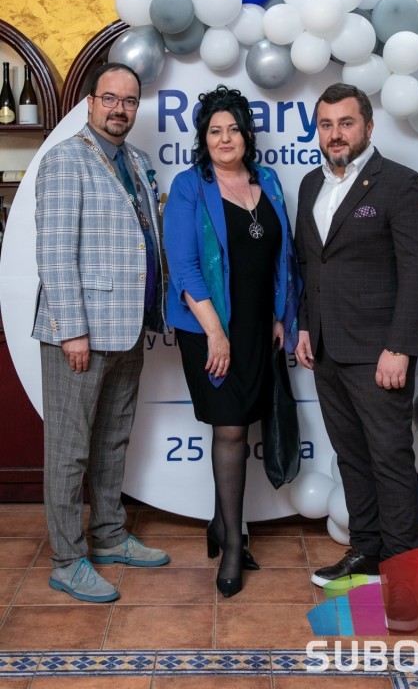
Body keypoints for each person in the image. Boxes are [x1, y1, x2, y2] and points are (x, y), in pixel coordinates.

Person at [294, 82, 418, 629]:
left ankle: (406, 585)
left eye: (346, 123)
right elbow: (311, 264)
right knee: (352, 457)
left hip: (381, 352)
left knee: (390, 461)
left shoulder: (402, 184)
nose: (335, 134)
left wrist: (399, 346)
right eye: (326, 124)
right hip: (326, 348)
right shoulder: (311, 184)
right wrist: (305, 325)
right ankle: (367, 554)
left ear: (369, 127)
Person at [33, 62, 170, 603]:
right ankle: (68, 560)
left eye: (129, 101)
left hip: (128, 327)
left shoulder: (137, 161)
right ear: (90, 103)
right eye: (110, 98)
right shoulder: (65, 160)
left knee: (113, 438)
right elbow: (54, 252)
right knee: (70, 450)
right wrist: (71, 331)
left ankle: (110, 535)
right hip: (80, 333)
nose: (120, 109)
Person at [164, 85, 300, 598]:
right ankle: (233, 546)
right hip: (208, 328)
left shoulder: (268, 181)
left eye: (234, 129)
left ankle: (220, 525)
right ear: (203, 138)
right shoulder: (189, 186)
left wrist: (280, 315)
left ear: (247, 135)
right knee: (230, 430)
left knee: (245, 421)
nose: (225, 138)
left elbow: (282, 257)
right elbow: (184, 268)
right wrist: (216, 334)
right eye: (214, 130)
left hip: (258, 327)